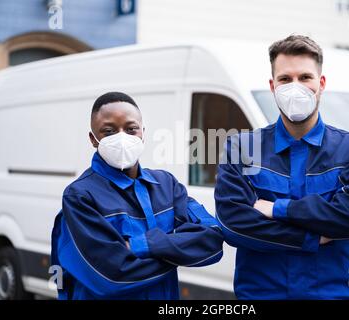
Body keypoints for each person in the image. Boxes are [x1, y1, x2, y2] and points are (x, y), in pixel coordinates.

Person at [214, 35, 349, 300]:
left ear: (321, 83)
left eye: (305, 77)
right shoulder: (241, 149)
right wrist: (312, 238)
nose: (296, 87)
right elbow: (233, 224)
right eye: (285, 79)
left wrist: (277, 209)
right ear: (272, 86)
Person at [51, 92, 223, 300]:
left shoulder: (166, 185)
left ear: (143, 132)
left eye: (131, 129)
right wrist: (178, 250)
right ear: (93, 139)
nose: (122, 138)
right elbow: (112, 277)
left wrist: (141, 246)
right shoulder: (80, 196)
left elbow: (212, 239)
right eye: (109, 131)